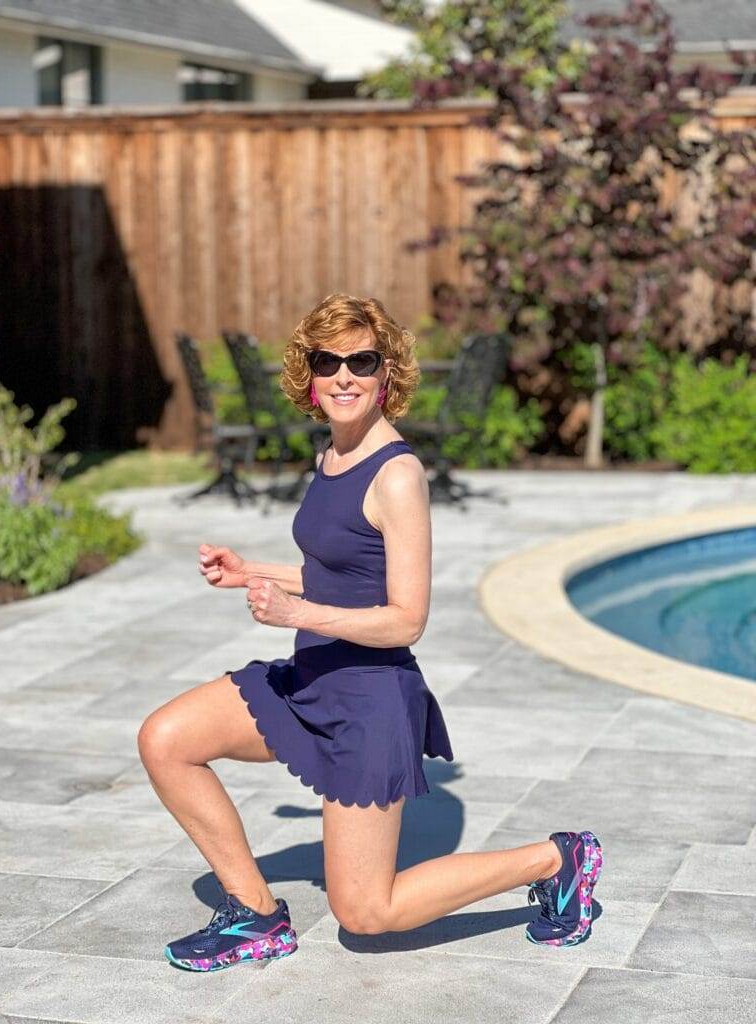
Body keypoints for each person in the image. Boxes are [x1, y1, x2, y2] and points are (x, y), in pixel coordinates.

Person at [138, 293, 602, 973]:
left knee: (366, 914)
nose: (345, 376)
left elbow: (406, 618)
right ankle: (255, 917)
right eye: (329, 361)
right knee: (166, 740)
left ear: (388, 373)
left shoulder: (398, 475)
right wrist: (252, 571)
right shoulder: (332, 454)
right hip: (311, 681)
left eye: (362, 360)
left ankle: (560, 860)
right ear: (310, 373)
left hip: (370, 704)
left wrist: (297, 616)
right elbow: (338, 571)